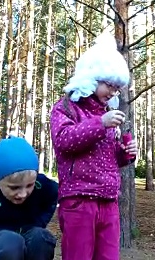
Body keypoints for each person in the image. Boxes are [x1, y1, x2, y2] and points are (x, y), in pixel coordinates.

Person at [49, 32, 138, 260]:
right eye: (109, 85)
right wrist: (100, 124)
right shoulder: (66, 108)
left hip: (109, 201)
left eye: (117, 89)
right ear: (92, 78)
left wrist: (125, 154)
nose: (113, 93)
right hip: (78, 200)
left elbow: (108, 157)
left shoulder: (107, 114)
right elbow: (65, 140)